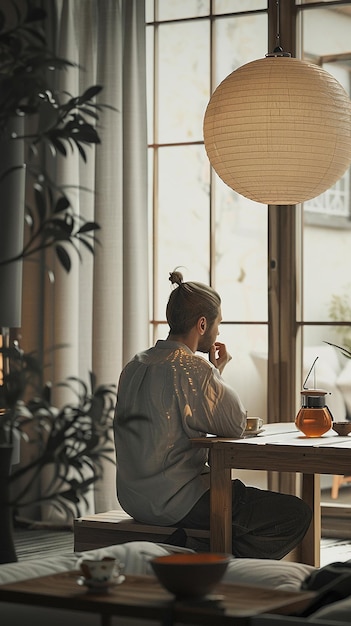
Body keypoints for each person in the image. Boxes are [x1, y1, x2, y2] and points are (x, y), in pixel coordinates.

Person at [114, 270, 312, 559]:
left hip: (133, 499)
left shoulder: (135, 365)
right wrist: (214, 372)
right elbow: (233, 423)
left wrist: (212, 374)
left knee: (242, 509)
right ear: (203, 323)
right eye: (218, 322)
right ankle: (209, 557)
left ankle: (201, 551)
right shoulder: (191, 368)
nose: (219, 331)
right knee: (296, 513)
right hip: (179, 501)